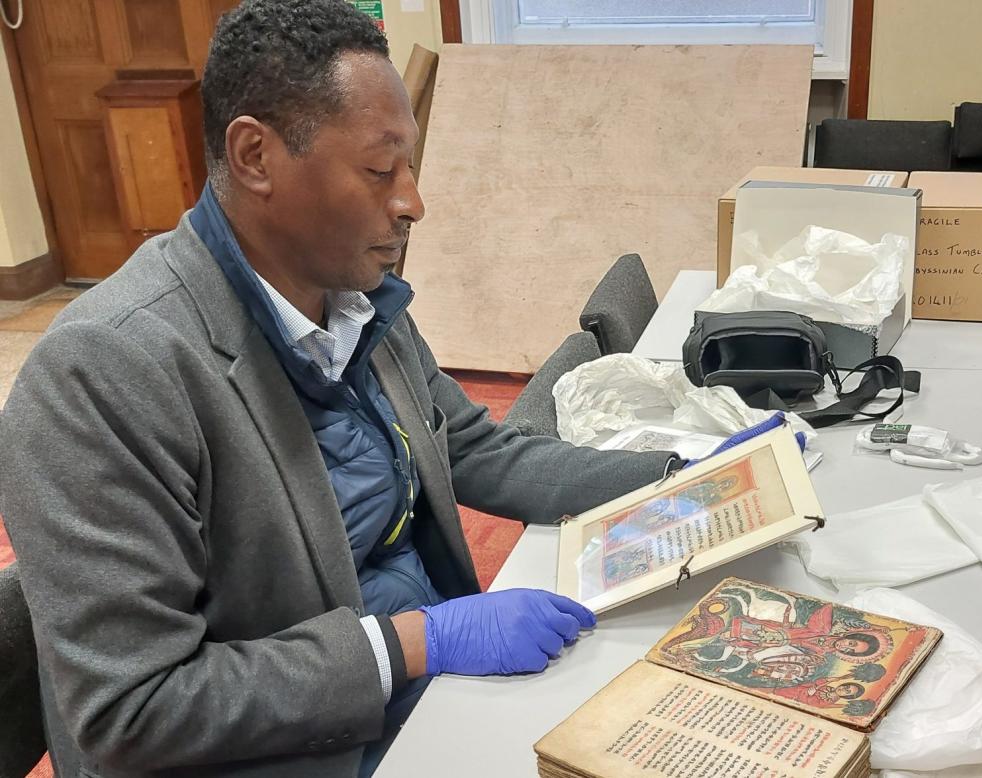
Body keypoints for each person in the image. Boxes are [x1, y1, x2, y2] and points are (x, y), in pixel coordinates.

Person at [0, 2, 791, 776]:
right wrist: (418, 643)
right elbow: (131, 711)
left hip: (416, 689)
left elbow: (473, 449)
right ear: (254, 157)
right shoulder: (103, 375)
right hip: (299, 739)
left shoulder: (345, 295)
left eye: (408, 167)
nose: (413, 201)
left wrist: (686, 477)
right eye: (380, 171)